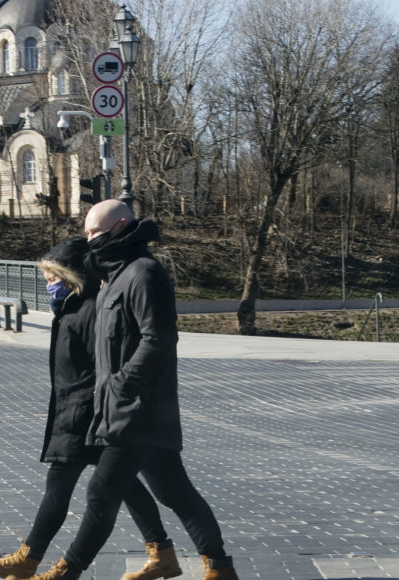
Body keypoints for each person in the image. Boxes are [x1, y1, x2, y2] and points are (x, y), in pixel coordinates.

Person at [20, 201, 238, 580]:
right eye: (87, 233)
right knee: (175, 494)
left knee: (100, 496)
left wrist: (122, 385)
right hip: (122, 409)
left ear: (120, 227)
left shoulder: (143, 273)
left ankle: (64, 572)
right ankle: (217, 567)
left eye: (94, 232)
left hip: (137, 410)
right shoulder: (114, 279)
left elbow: (160, 340)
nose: (90, 240)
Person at [0, 237, 182, 580]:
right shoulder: (73, 308)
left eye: (54, 278)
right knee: (126, 486)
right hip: (77, 412)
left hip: (84, 414)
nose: (49, 285)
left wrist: (93, 405)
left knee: (60, 487)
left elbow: (104, 364)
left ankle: (29, 559)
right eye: (45, 278)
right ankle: (161, 551)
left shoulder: (89, 311)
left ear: (73, 278)